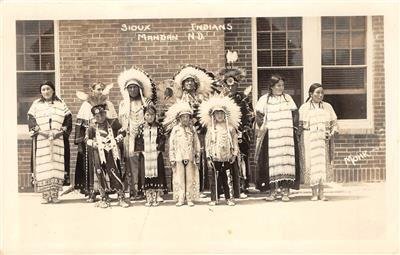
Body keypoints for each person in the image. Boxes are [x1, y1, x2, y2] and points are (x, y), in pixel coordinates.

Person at [168, 65, 215, 195]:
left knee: (198, 155)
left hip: (198, 131)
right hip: (183, 132)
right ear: (183, 84)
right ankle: (183, 191)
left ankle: (200, 188)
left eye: (191, 81)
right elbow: (174, 116)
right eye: (186, 81)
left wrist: (199, 122)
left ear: (196, 84)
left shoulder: (201, 98)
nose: (189, 83)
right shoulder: (179, 99)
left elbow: (205, 114)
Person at [254, 74, 301, 202]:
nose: (281, 88)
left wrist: (294, 128)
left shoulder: (288, 98)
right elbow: (258, 116)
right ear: (272, 86)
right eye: (278, 85)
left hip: (287, 137)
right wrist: (264, 126)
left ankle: (286, 192)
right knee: (272, 163)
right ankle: (273, 192)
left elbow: (295, 115)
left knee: (286, 163)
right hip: (272, 136)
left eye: (282, 85)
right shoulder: (265, 99)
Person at [28, 81, 72, 204]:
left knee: (56, 165)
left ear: (53, 90)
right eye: (43, 89)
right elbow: (31, 120)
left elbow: (68, 120)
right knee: (44, 166)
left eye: (48, 89)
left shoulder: (61, 104)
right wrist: (42, 133)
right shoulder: (36, 105)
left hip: (58, 140)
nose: (46, 92)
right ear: (41, 92)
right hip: (42, 140)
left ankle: (55, 194)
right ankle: (45, 195)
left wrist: (60, 132)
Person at [118, 67, 157, 200]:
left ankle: (147, 189)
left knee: (145, 162)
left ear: (139, 89)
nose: (132, 90)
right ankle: (134, 190)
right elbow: (121, 121)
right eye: (130, 88)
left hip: (145, 136)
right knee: (131, 163)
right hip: (130, 137)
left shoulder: (146, 103)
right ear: (126, 90)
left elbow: (152, 118)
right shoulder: (123, 104)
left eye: (135, 87)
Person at [74, 82, 117, 202]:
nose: (101, 91)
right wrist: (81, 141)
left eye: (103, 89)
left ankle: (107, 192)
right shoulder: (86, 105)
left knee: (107, 165)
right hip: (91, 141)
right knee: (91, 166)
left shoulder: (108, 104)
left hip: (106, 141)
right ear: (92, 90)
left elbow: (114, 123)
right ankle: (92, 193)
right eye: (98, 89)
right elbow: (80, 125)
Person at [217, 65, 254, 198]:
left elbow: (249, 115)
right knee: (223, 159)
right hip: (223, 134)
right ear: (224, 85)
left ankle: (242, 187)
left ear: (237, 85)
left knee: (240, 159)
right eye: (228, 85)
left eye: (233, 85)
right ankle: (223, 188)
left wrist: (244, 130)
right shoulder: (220, 100)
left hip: (240, 134)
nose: (231, 88)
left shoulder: (243, 98)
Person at [199, 95, 241, 206]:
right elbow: (208, 143)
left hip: (227, 157)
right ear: (213, 115)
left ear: (225, 114)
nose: (219, 115)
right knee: (214, 179)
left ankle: (229, 198)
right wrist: (208, 157)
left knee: (227, 178)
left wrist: (234, 154)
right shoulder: (211, 128)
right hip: (215, 157)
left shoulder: (230, 128)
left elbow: (235, 142)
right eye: (217, 113)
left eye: (221, 113)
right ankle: (214, 198)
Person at [299, 83, 338, 201]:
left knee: (322, 164)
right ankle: (313, 193)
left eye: (322, 92)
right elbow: (300, 126)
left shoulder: (327, 107)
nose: (320, 95)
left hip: (323, 139)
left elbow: (334, 124)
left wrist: (332, 132)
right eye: (317, 92)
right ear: (311, 94)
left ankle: (322, 192)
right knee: (312, 163)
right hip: (309, 138)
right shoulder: (304, 108)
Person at [86, 104, 129, 208]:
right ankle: (104, 197)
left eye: (102, 114)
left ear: (105, 113)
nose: (100, 118)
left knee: (115, 171)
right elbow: (86, 139)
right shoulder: (92, 126)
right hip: (99, 152)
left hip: (112, 152)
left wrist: (116, 139)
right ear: (94, 117)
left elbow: (123, 132)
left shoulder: (113, 122)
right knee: (100, 172)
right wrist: (93, 143)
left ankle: (120, 197)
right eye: (97, 116)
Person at [166, 100, 201, 206]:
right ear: (179, 118)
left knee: (190, 178)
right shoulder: (175, 130)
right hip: (178, 157)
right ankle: (181, 197)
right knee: (180, 178)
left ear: (190, 118)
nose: (185, 119)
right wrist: (172, 157)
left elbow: (196, 143)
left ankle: (189, 197)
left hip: (190, 157)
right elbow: (171, 144)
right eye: (183, 117)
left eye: (187, 117)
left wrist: (197, 156)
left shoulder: (192, 129)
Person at [134, 105, 167, 206]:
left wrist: (158, 150)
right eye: (147, 114)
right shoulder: (140, 127)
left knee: (157, 175)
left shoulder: (159, 127)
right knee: (145, 176)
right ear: (144, 115)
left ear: (155, 115)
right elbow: (138, 141)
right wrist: (143, 151)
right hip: (145, 156)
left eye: (152, 114)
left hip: (156, 155)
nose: (150, 117)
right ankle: (148, 198)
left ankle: (156, 197)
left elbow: (162, 139)